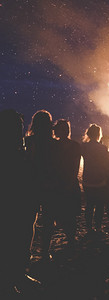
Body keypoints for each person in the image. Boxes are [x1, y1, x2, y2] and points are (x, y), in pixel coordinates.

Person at [0, 109, 41, 296]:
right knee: (10, 243)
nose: (21, 130)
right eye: (17, 126)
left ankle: (18, 275)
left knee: (20, 243)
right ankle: (9, 283)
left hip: (23, 207)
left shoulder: (20, 151)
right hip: (11, 208)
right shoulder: (9, 153)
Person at [25, 110, 62, 261]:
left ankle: (27, 251)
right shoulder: (54, 144)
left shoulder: (28, 141)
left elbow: (27, 163)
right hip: (50, 185)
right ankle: (45, 252)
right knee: (48, 221)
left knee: (29, 220)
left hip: (32, 185)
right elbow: (58, 166)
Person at [53, 119, 81, 246]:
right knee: (66, 213)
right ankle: (70, 237)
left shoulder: (59, 145)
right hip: (62, 182)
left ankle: (70, 237)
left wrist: (70, 181)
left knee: (69, 213)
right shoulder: (57, 145)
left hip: (64, 182)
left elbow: (75, 166)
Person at [81, 124, 109, 235]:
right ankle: (98, 228)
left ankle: (89, 228)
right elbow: (106, 165)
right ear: (99, 135)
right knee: (99, 206)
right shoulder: (102, 148)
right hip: (100, 180)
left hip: (87, 179)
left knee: (89, 205)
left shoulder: (83, 147)